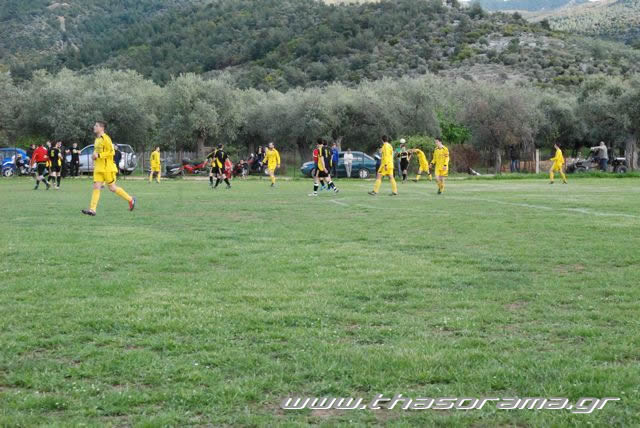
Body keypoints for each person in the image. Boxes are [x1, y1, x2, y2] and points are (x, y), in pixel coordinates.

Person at [81, 121, 136, 216]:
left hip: (107, 168)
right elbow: (96, 152)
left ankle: (130, 199)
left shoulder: (106, 138)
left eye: (96, 126)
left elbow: (112, 152)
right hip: (98, 168)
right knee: (96, 187)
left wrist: (99, 155)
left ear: (102, 128)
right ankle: (92, 210)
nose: (94, 127)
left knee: (112, 188)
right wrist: (93, 156)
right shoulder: (97, 139)